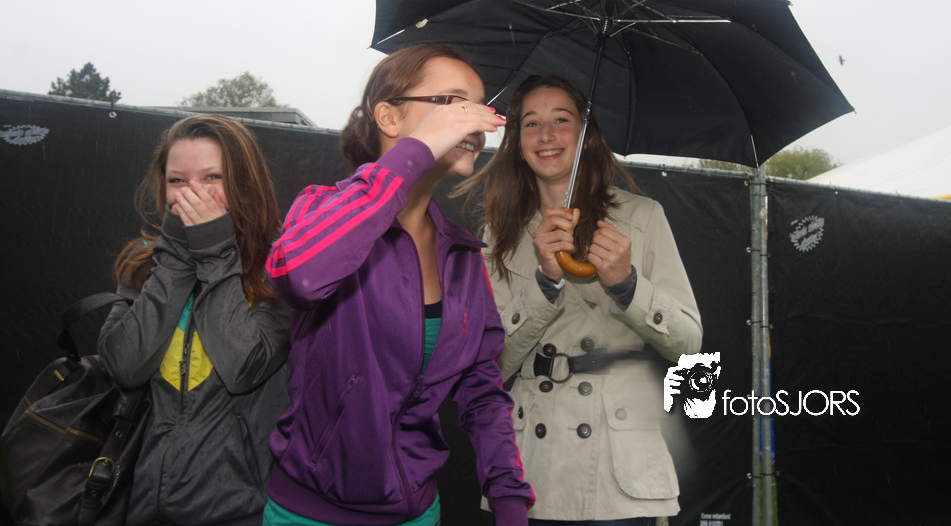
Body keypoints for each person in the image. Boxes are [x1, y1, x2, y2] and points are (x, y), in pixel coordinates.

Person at [261, 44, 534, 526]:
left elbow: (482, 389)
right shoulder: (321, 208)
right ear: (388, 116)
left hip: (420, 512)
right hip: (309, 512)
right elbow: (299, 276)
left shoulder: (462, 255)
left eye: (479, 106)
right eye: (453, 103)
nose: (475, 122)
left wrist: (510, 501)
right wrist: (416, 151)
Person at [460, 75, 703, 525]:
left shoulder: (644, 217)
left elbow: (689, 345)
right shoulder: (499, 233)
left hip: (620, 467)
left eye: (561, 120)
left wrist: (628, 284)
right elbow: (491, 364)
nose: (546, 135)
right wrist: (545, 282)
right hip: (535, 468)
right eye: (531, 124)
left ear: (586, 134)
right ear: (517, 143)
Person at [99, 114, 291, 526]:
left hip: (243, 508)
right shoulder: (144, 265)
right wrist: (174, 259)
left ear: (244, 184)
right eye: (178, 181)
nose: (192, 193)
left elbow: (243, 367)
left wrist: (214, 251)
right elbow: (125, 366)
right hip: (141, 503)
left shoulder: (280, 266)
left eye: (212, 177)